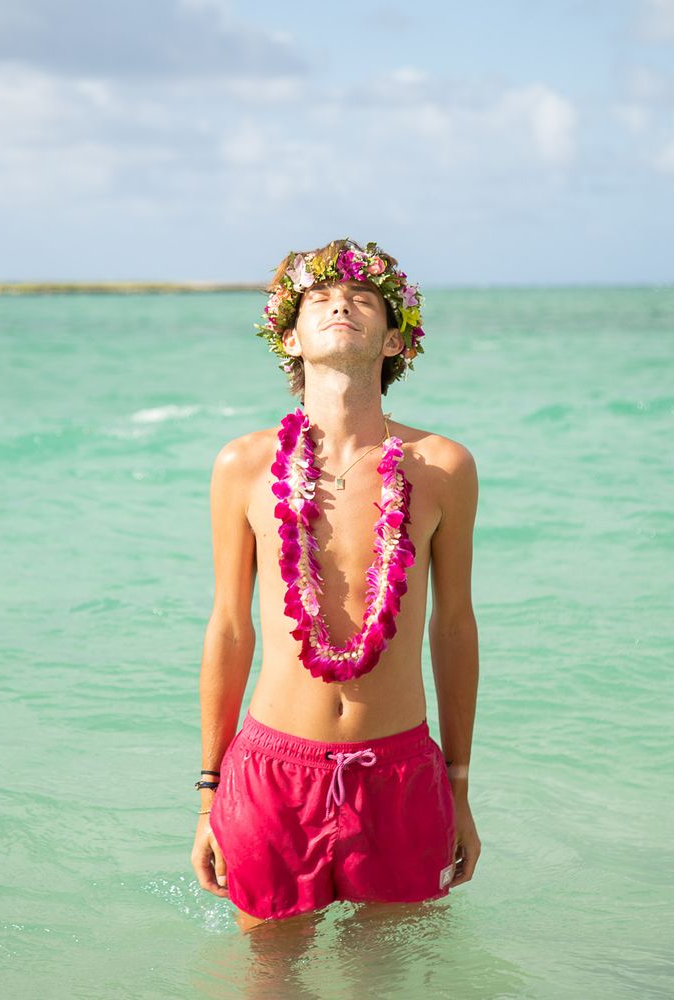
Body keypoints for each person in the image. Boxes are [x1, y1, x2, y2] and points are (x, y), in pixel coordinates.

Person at [190, 238, 481, 934]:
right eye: (318, 297)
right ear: (289, 336)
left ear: (394, 342)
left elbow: (454, 627)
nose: (340, 303)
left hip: (403, 771)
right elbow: (231, 626)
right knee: (270, 978)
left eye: (361, 297)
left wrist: (460, 788)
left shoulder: (443, 465)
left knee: (386, 979)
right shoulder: (244, 463)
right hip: (271, 772)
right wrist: (208, 796)